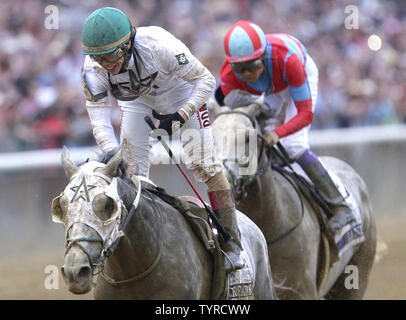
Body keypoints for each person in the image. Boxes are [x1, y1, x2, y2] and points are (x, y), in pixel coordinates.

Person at [80, 7, 243, 271]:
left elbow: (205, 80)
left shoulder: (159, 45)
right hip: (137, 103)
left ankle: (233, 243)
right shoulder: (93, 68)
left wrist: (182, 113)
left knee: (206, 165)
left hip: (183, 93)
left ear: (128, 43)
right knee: (130, 175)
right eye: (98, 58)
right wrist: (112, 153)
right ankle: (139, 246)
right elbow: (98, 115)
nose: (106, 65)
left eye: (110, 56)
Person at [215, 20, 364, 256]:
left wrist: (278, 132)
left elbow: (305, 114)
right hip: (269, 90)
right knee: (252, 137)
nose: (247, 75)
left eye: (252, 66)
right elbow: (223, 107)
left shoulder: (288, 60)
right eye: (240, 69)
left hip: (297, 75)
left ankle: (341, 207)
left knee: (293, 144)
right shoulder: (230, 75)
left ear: (263, 56)